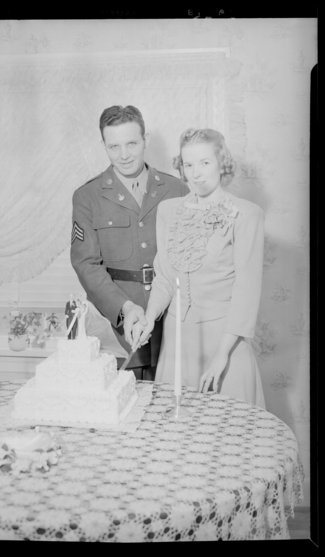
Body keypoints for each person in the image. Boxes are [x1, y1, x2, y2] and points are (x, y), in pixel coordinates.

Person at [124, 128, 266, 408]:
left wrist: (222, 355)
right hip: (177, 344)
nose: (196, 173)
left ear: (221, 163)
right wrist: (149, 318)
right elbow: (164, 276)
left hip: (225, 341)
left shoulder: (247, 215)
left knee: (225, 435)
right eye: (188, 164)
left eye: (205, 162)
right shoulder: (168, 211)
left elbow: (246, 293)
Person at [71, 105, 189, 380]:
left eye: (132, 143)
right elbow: (86, 264)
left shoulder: (178, 190)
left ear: (145, 139)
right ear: (103, 145)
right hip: (121, 326)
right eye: (114, 147)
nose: (124, 155)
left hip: (174, 319)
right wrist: (125, 308)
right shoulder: (87, 196)